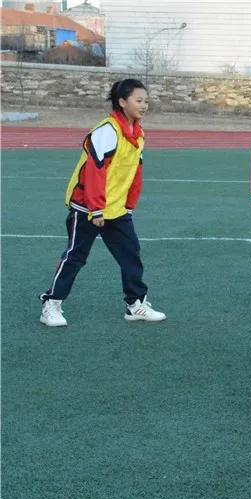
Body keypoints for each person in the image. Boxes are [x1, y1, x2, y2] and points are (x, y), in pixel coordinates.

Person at [39, 79, 166, 327]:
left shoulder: (138, 135)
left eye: (146, 101)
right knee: (76, 256)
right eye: (139, 100)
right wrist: (96, 208)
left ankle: (135, 304)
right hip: (87, 207)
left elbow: (134, 171)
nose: (144, 105)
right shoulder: (106, 131)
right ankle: (51, 304)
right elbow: (94, 172)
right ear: (122, 102)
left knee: (131, 254)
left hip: (116, 209)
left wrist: (129, 203)